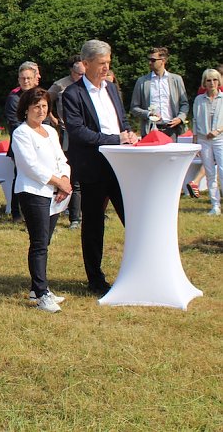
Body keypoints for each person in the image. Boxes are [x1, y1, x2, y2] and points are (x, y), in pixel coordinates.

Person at [63, 40, 138, 296]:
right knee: (94, 225)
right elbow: (78, 132)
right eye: (101, 63)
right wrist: (115, 139)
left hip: (121, 165)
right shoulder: (72, 94)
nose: (106, 68)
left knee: (134, 217)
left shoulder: (112, 89)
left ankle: (138, 269)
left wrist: (128, 133)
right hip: (93, 167)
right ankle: (95, 278)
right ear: (86, 64)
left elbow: (122, 119)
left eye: (108, 62)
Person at [12, 87, 72, 312]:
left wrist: (65, 178)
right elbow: (30, 166)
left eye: (44, 106)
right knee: (39, 243)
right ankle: (42, 293)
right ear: (26, 109)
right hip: (33, 192)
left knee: (45, 241)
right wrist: (58, 181)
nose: (40, 110)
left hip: (54, 193)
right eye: (36, 106)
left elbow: (61, 159)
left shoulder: (50, 131)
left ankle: (35, 289)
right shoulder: (21, 133)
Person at [48, 55, 85, 230]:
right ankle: (74, 217)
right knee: (72, 174)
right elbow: (45, 101)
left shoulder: (88, 84)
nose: (82, 77)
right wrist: (54, 120)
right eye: (79, 74)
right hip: (67, 135)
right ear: (72, 71)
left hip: (87, 134)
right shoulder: (61, 85)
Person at [130, 47, 189, 138]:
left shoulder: (176, 79)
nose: (150, 63)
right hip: (150, 129)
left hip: (171, 128)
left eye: (153, 60)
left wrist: (180, 118)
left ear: (163, 60)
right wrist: (148, 114)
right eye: (149, 60)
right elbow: (134, 108)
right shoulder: (142, 81)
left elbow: (184, 104)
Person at [5, 62, 38, 222]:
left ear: (34, 79)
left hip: (39, 144)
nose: (26, 81)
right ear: (19, 79)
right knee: (20, 176)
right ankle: (16, 212)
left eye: (29, 78)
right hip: (21, 144)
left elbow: (44, 118)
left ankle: (33, 210)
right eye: (23, 78)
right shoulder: (13, 98)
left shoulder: (39, 95)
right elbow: (14, 122)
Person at [192, 68, 223, 215]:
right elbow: (195, 121)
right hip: (204, 140)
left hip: (220, 139)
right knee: (210, 173)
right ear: (204, 82)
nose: (212, 83)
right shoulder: (199, 100)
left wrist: (218, 130)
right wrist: (195, 142)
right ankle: (215, 205)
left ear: (219, 81)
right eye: (209, 80)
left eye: (215, 79)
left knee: (222, 172)